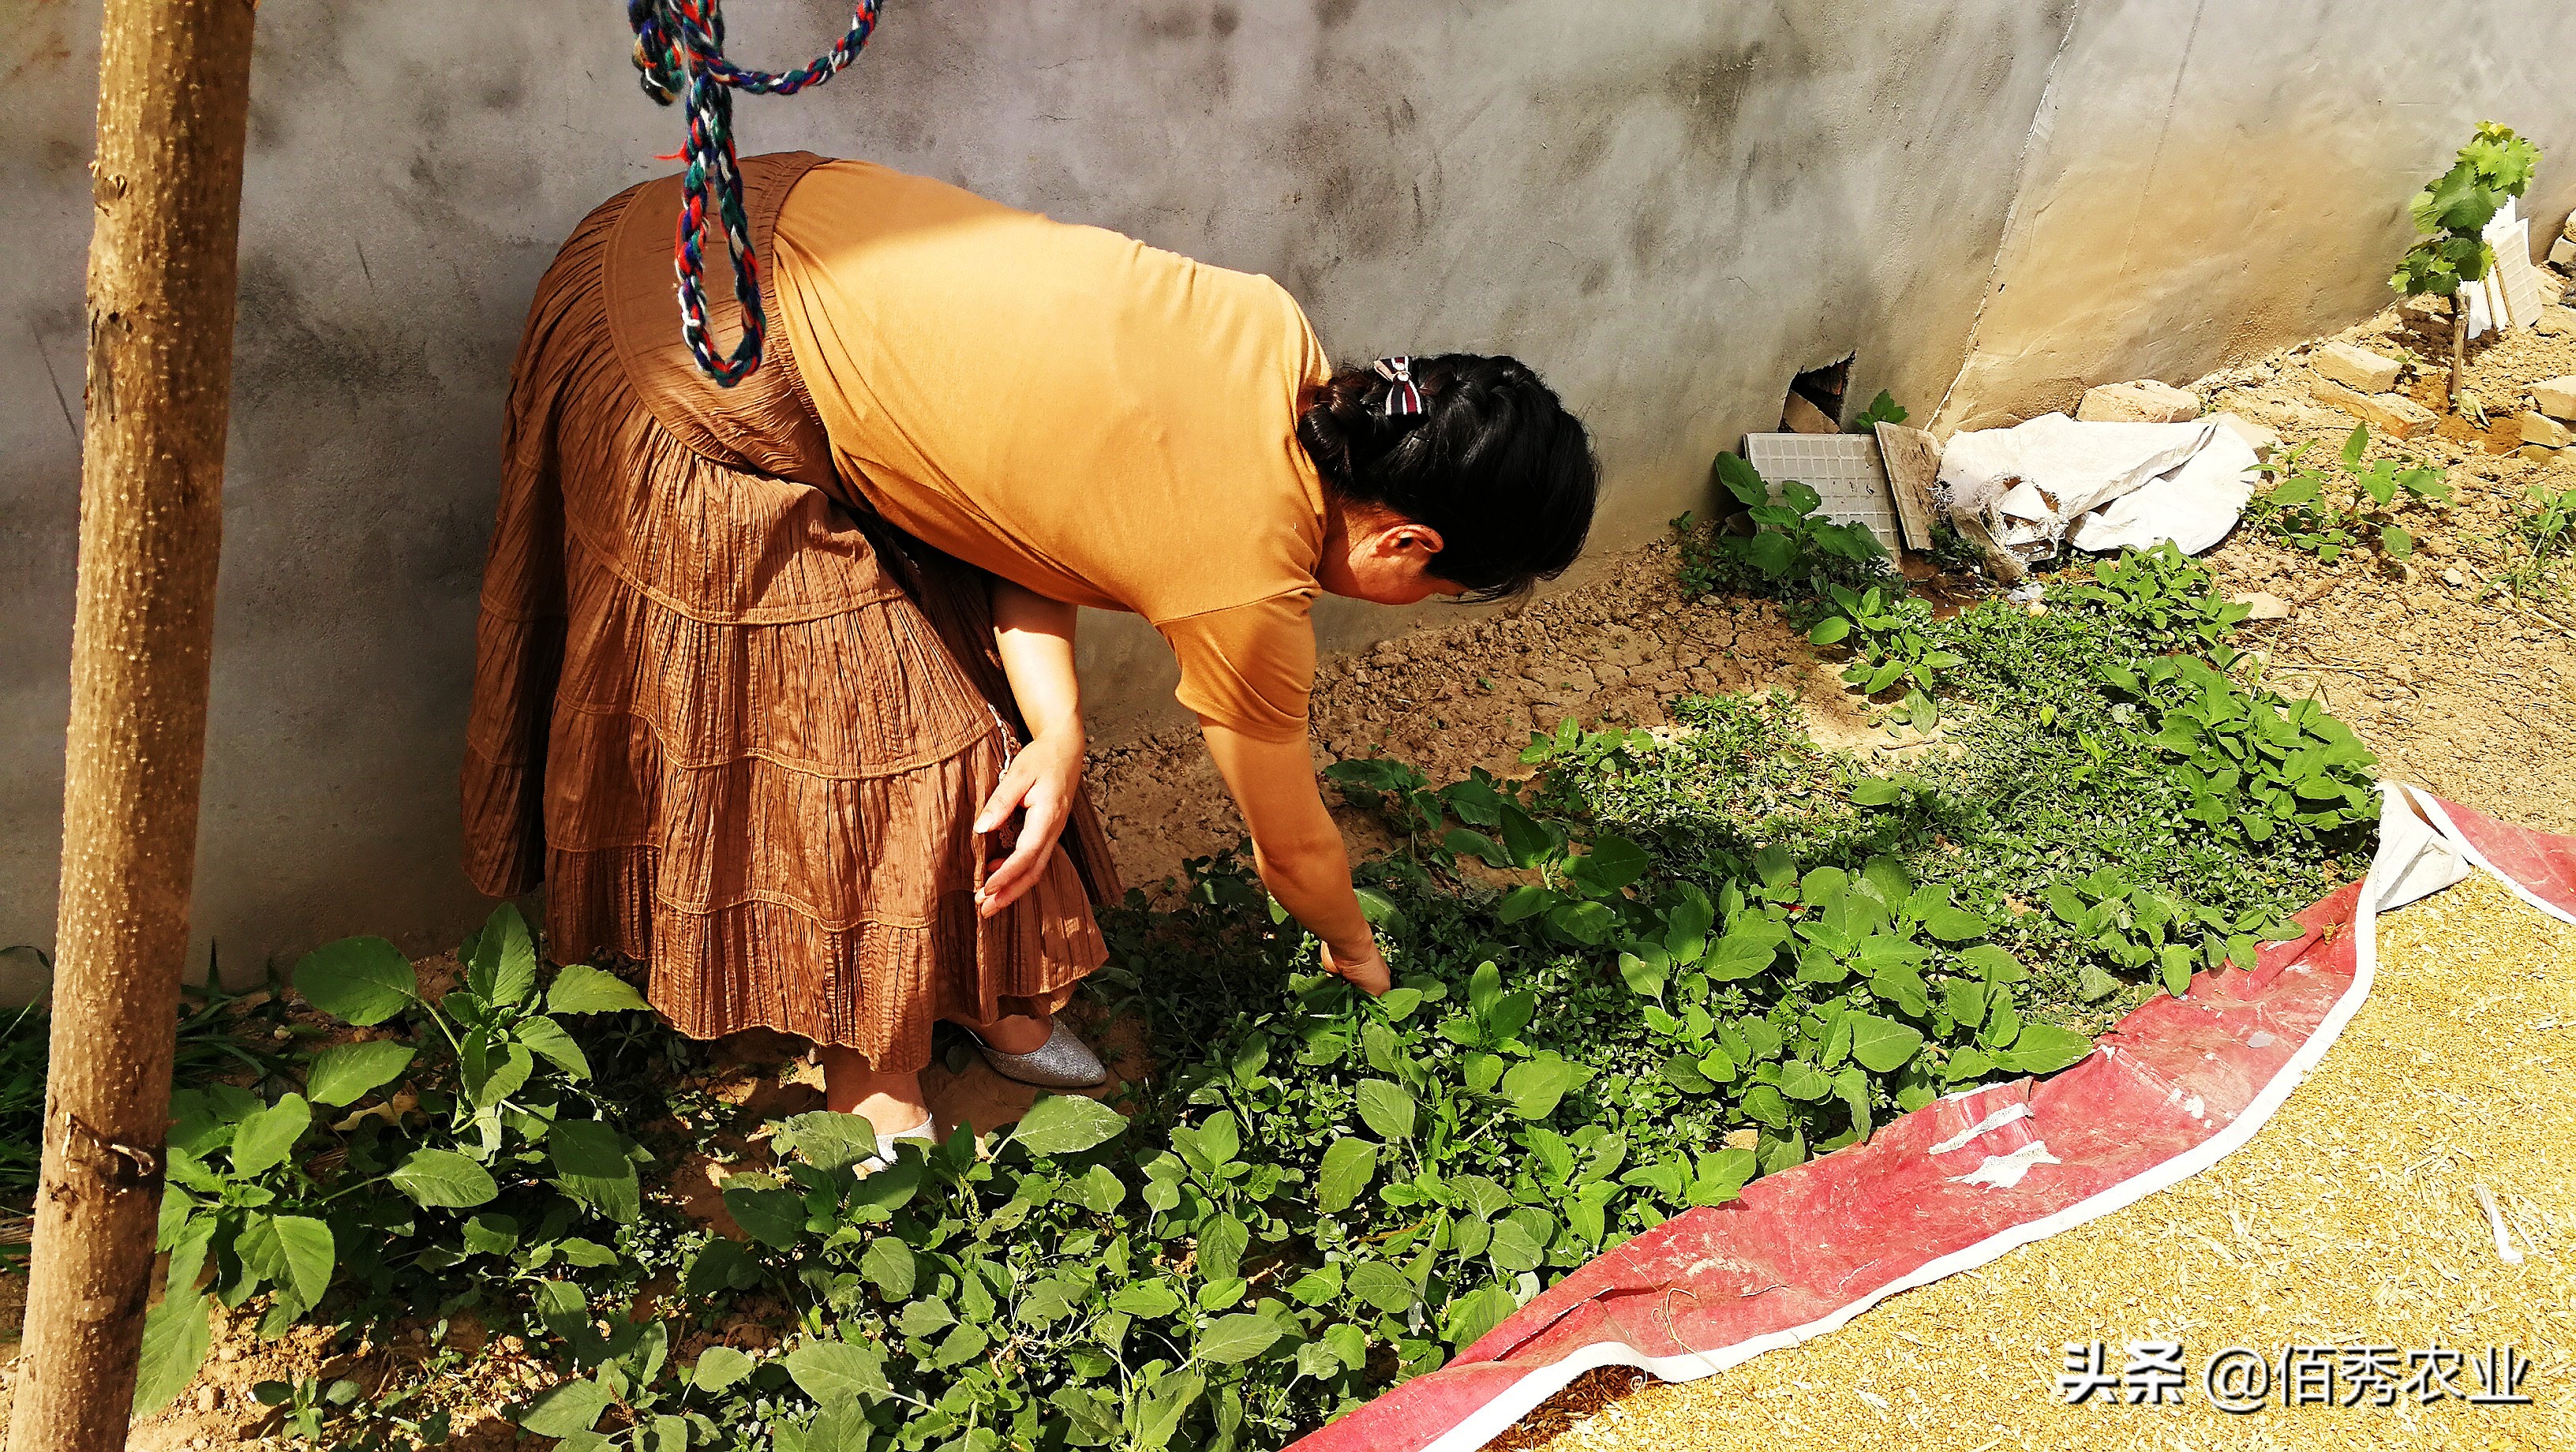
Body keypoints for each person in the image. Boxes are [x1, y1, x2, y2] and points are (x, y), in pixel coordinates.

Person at [462, 152, 1596, 1160]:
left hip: (730, 206)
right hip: (691, 351)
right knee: (895, 756)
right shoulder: (1247, 578)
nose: (1413, 605)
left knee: (1000, 736)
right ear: (1411, 541)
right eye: (1438, 592)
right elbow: (1293, 849)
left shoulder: (1267, 331)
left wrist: (1060, 732)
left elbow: (1034, 521)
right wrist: (1361, 958)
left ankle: (987, 998)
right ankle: (875, 1076)